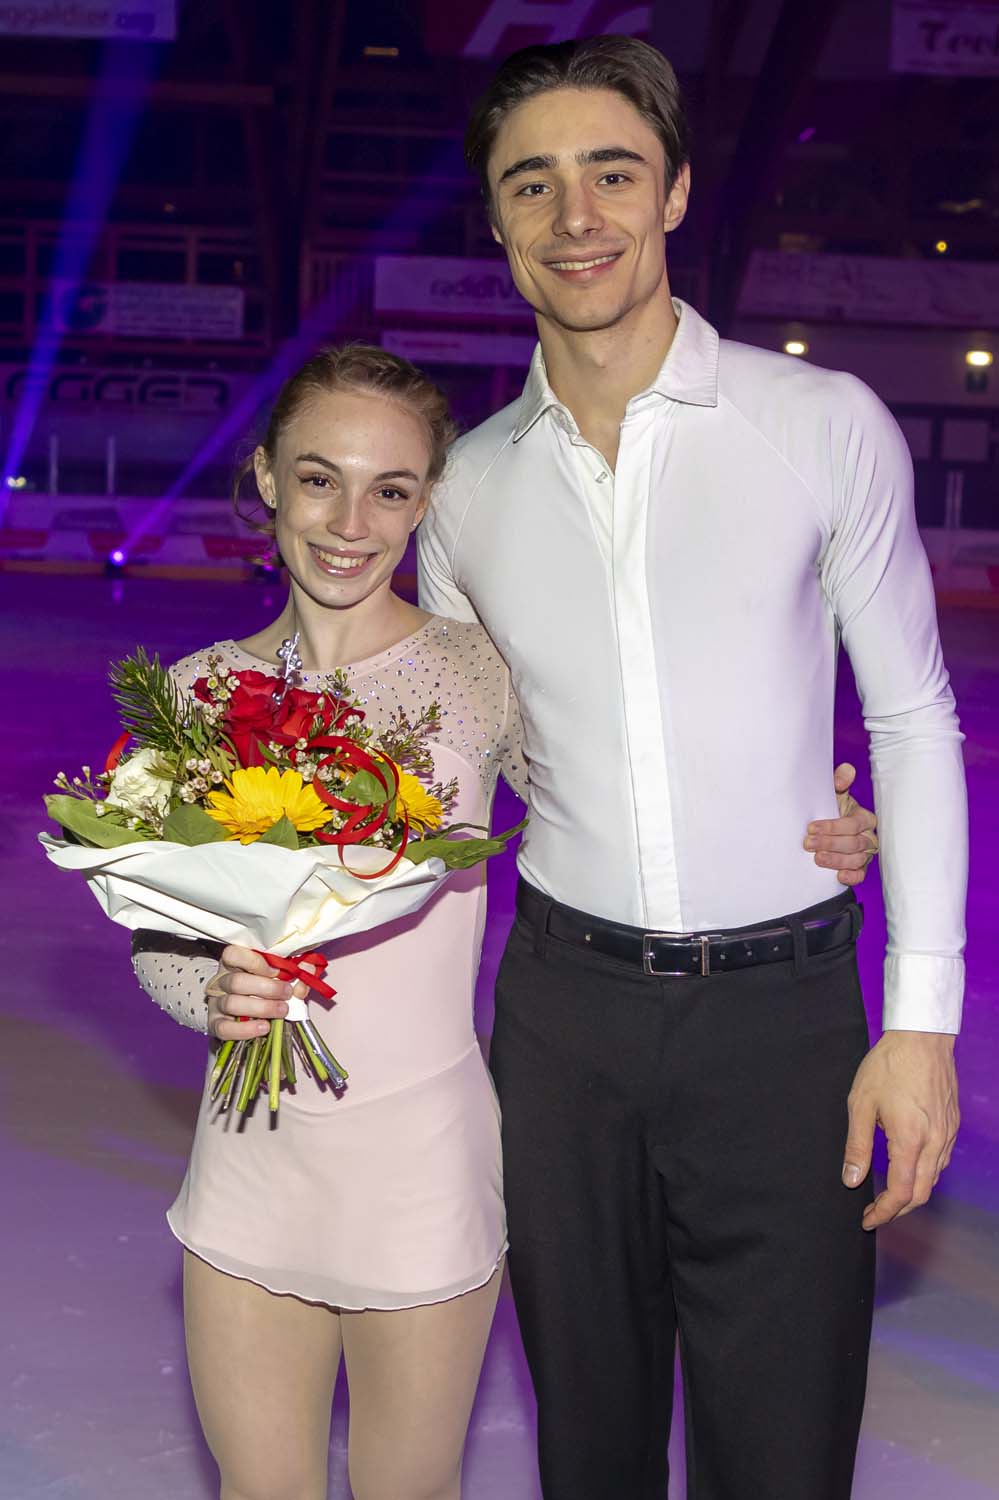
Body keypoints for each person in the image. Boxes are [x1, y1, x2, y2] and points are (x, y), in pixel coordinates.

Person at [131, 346, 877, 1500]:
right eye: (319, 479)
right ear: (267, 476)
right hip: (251, 1157)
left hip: (424, 1166)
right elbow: (162, 933)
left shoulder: (475, 673)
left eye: (390, 490)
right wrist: (213, 989)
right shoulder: (193, 695)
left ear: (426, 503)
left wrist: (800, 815)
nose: (350, 523)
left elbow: (614, 798)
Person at [417, 36, 967, 1500]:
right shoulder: (465, 490)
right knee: (588, 1455)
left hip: (783, 1029)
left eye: (611, 174)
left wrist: (919, 1024)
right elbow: (466, 780)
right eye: (531, 183)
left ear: (670, 194)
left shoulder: (818, 426)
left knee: (781, 1463)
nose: (574, 215)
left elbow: (913, 718)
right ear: (494, 220)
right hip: (561, 1026)